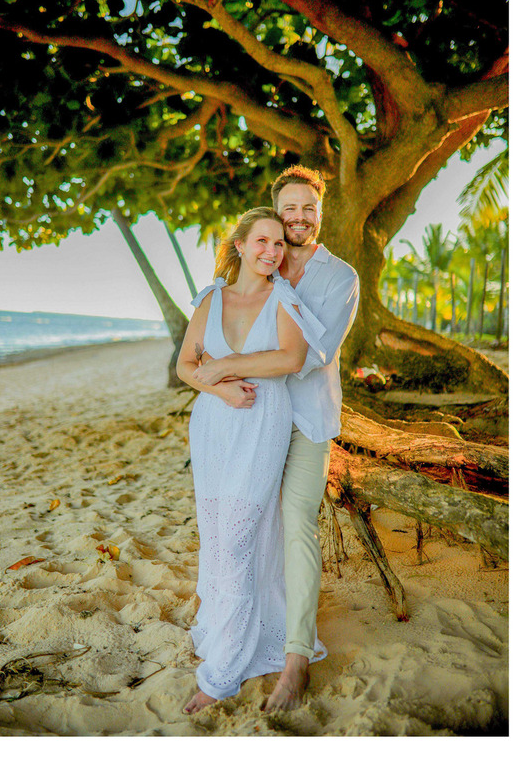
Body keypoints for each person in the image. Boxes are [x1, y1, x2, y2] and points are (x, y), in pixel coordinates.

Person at [187, 167, 359, 710]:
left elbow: (311, 355)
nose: (300, 218)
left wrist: (226, 367)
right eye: (291, 209)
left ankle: (295, 658)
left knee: (295, 523)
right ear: (276, 213)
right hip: (253, 419)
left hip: (305, 419)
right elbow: (210, 338)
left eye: (309, 208)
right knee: (245, 526)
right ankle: (244, 623)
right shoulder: (269, 263)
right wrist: (213, 380)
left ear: (320, 213)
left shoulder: (340, 277)